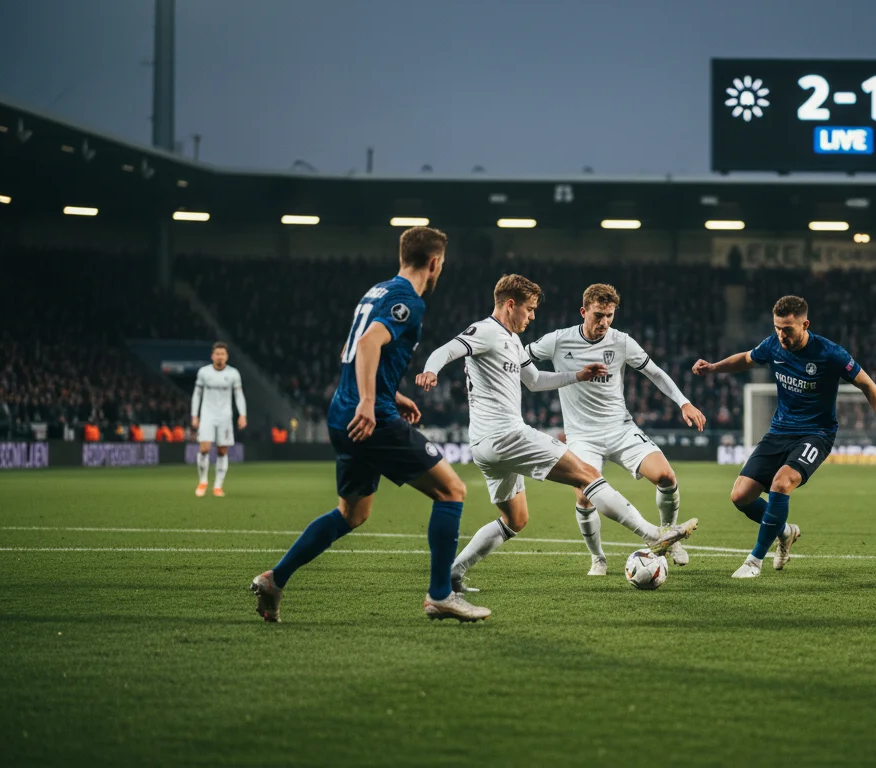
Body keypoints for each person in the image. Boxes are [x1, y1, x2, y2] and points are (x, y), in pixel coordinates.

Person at [251, 226, 489, 623]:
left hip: (342, 414)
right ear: (434, 263)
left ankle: (275, 579)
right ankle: (440, 595)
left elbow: (353, 350)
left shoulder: (375, 291)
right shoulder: (408, 301)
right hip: (369, 417)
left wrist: (389, 393)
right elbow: (366, 346)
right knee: (452, 491)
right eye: (441, 264)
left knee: (352, 513)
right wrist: (370, 401)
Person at [417, 274, 698, 593]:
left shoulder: (511, 340)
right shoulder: (487, 331)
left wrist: (577, 375)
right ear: (511, 305)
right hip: (506, 435)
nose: (533, 316)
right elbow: (448, 349)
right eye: (530, 309)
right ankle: (652, 534)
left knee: (515, 520)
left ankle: (453, 574)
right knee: (588, 475)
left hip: (485, 445)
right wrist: (430, 369)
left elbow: (535, 380)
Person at [693, 295, 876, 578]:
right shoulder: (772, 345)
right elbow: (745, 359)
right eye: (778, 327)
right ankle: (785, 531)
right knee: (740, 496)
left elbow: (867, 385)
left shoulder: (830, 353)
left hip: (817, 434)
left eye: (788, 329)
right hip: (780, 431)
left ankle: (755, 561)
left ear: (805, 324)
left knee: (782, 483)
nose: (781, 335)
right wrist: (714, 367)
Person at [525, 283, 707, 576]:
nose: (605, 322)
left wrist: (684, 403)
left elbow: (655, 373)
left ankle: (668, 535)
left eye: (610, 315)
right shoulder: (558, 341)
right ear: (584, 311)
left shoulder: (621, 342)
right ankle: (598, 558)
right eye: (598, 315)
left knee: (666, 475)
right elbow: (521, 357)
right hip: (583, 436)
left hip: (620, 428)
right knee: (584, 496)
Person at [191, 342, 247, 497]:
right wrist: (194, 415)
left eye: (223, 354)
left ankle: (218, 485)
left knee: (222, 451)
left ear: (227, 356)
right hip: (207, 414)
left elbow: (239, 395)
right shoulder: (204, 373)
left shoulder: (234, 374)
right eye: (218, 354)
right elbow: (197, 394)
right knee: (204, 448)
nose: (220, 357)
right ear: (212, 356)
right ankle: (203, 481)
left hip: (225, 416)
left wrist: (242, 414)